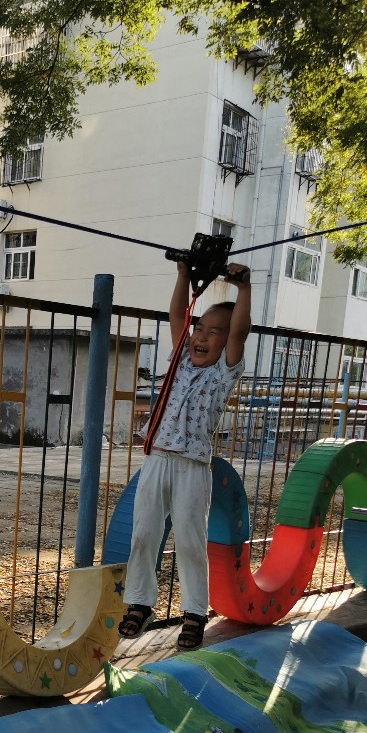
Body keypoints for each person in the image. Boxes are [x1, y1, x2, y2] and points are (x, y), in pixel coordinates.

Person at [118, 260, 251, 651]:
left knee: (191, 541)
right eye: (200, 328)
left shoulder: (223, 373)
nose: (202, 336)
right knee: (144, 533)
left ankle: (194, 612)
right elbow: (178, 314)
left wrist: (243, 289)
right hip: (157, 459)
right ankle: (140, 602)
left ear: (225, 344)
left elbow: (240, 330)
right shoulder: (179, 361)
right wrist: (182, 276)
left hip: (193, 467)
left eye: (214, 332)